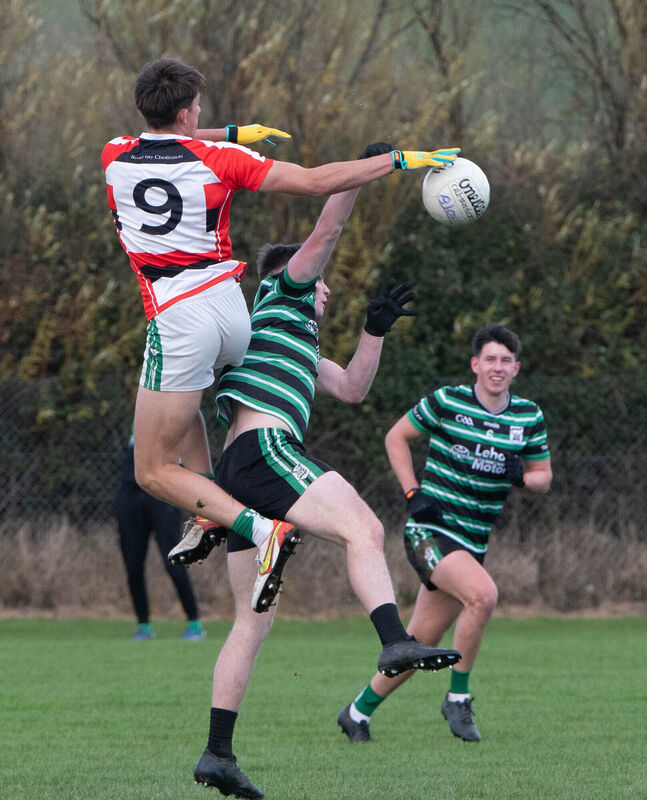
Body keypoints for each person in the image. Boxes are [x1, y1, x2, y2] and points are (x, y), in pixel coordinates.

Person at [101, 57, 460, 611]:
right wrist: (396, 162)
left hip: (177, 314)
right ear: (185, 111)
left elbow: (165, 135)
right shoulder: (218, 157)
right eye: (196, 109)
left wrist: (226, 131)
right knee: (188, 411)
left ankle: (257, 526)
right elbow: (318, 184)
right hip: (229, 311)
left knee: (150, 470)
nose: (202, 116)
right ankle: (207, 510)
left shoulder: (114, 153)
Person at [188, 165, 462, 797]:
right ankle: (394, 641)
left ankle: (217, 754)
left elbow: (354, 388)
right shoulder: (280, 295)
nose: (325, 295)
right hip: (265, 450)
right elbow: (330, 224)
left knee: (250, 623)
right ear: (297, 277)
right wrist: (368, 168)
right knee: (364, 527)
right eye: (323, 288)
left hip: (238, 472)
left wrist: (373, 332)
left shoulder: (293, 344)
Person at [337, 324, 552, 745]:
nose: (497, 367)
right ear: (475, 364)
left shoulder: (528, 416)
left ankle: (357, 713)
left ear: (516, 369)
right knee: (484, 596)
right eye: (489, 359)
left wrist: (522, 478)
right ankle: (458, 696)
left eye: (506, 361)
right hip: (430, 530)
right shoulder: (448, 401)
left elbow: (544, 476)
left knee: (421, 645)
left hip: (473, 543)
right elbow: (396, 437)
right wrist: (412, 492)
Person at [115, 436, 205, 641]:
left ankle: (194, 624)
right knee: (133, 564)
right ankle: (143, 626)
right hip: (131, 489)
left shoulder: (181, 409)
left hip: (163, 489)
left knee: (173, 559)